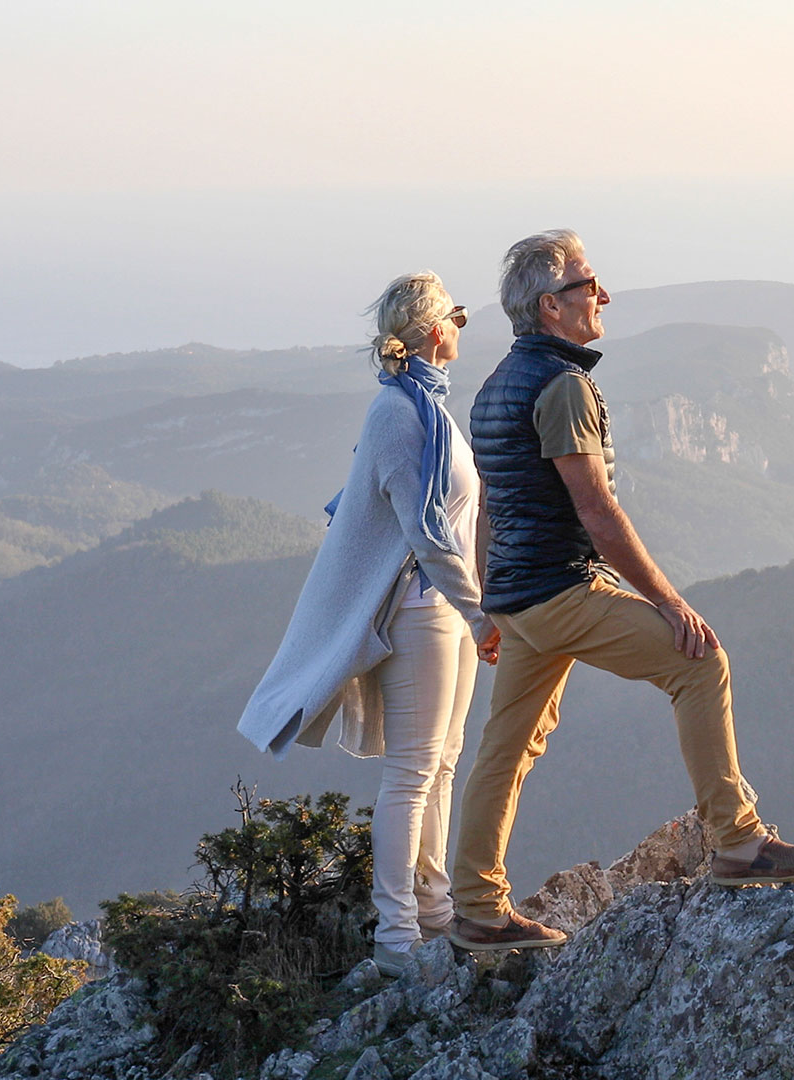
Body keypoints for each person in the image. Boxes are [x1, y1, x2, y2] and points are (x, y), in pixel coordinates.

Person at [448, 229, 794, 952]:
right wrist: (670, 602)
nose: (602, 295)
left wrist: (485, 605)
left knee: (507, 746)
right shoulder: (562, 387)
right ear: (550, 306)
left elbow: (494, 504)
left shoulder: (498, 384)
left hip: (519, 599)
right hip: (561, 592)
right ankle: (736, 841)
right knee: (699, 663)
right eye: (587, 285)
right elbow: (598, 514)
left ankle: (475, 905)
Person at [236, 272, 501, 979]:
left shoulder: (427, 407)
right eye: (460, 318)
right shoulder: (398, 415)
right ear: (435, 330)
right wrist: (477, 613)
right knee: (413, 774)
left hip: (448, 611)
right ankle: (397, 939)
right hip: (423, 615)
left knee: (440, 765)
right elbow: (425, 529)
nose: (462, 329)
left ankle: (437, 911)